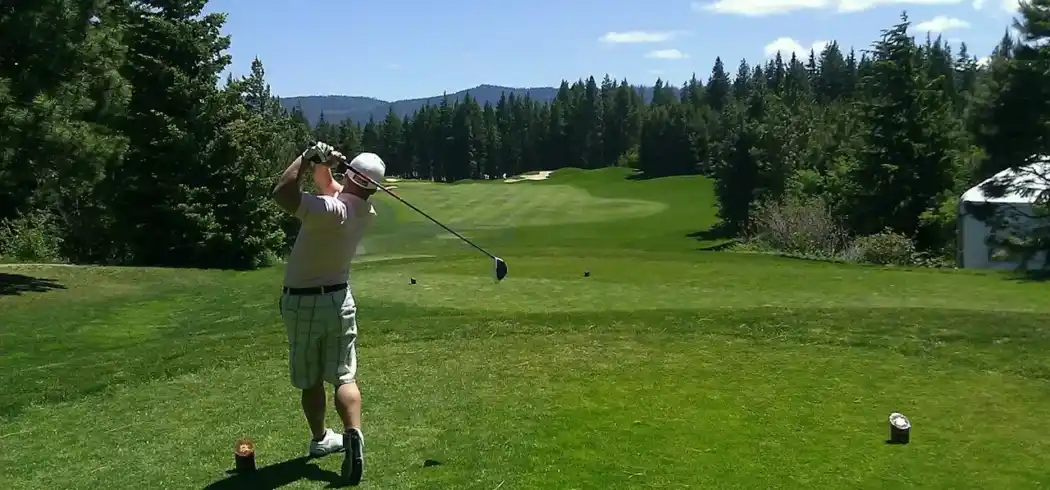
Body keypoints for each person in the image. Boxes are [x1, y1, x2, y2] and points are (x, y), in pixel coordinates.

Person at [270, 141, 386, 486]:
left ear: (354, 177)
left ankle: (321, 439)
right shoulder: (362, 210)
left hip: (303, 302)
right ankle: (353, 434)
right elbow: (328, 185)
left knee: (310, 378)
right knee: (343, 376)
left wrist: (306, 158)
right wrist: (327, 164)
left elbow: (282, 193)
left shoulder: (331, 211)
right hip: (340, 300)